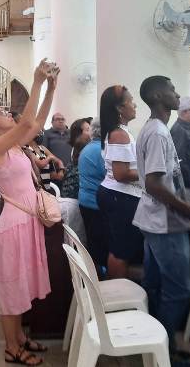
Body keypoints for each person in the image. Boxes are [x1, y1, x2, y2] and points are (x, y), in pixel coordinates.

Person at [0, 60, 57, 366]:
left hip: (26, 219)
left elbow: (35, 124)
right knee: (12, 286)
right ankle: (11, 347)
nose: (8, 114)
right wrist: (35, 81)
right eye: (2, 114)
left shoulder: (12, 146)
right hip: (13, 225)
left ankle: (20, 337)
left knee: (22, 283)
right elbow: (26, 123)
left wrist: (51, 88)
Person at [132, 76, 190, 365]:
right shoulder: (159, 133)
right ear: (159, 96)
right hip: (165, 223)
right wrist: (187, 209)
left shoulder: (153, 128)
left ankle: (163, 345)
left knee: (157, 284)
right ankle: (165, 355)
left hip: (154, 221)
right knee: (179, 289)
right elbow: (154, 184)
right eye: (173, 90)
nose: (177, 95)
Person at [97, 85, 144, 280]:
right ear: (119, 108)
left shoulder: (122, 132)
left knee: (121, 247)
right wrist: (149, 172)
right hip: (120, 196)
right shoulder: (119, 134)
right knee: (120, 251)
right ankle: (117, 293)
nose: (135, 105)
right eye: (131, 101)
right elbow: (121, 174)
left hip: (119, 195)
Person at [77, 118, 109, 275]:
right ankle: (101, 278)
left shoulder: (90, 147)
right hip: (95, 204)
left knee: (95, 243)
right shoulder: (100, 150)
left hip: (88, 201)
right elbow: (113, 175)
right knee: (100, 246)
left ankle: (97, 274)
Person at [171, 96, 190, 195]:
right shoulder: (179, 130)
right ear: (184, 112)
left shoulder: (189, 129)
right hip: (188, 186)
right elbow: (178, 160)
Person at [61, 117, 92, 199]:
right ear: (78, 134)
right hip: (73, 199)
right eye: (88, 130)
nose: (92, 132)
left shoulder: (84, 148)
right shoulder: (82, 150)